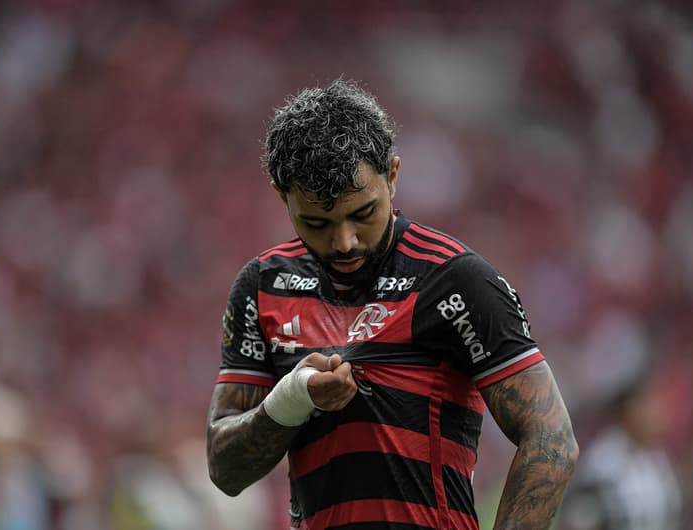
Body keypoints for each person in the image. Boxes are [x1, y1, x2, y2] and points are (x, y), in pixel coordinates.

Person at [206, 78, 579, 530]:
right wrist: (292, 399)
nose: (344, 242)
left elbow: (551, 438)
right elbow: (225, 471)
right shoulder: (263, 286)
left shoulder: (454, 279)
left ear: (394, 176)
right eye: (317, 222)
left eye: (362, 214)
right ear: (282, 197)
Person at [558, 370, 682, 530]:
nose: (655, 415)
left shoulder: (657, 458)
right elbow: (579, 517)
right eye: (647, 406)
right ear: (628, 410)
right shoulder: (604, 460)